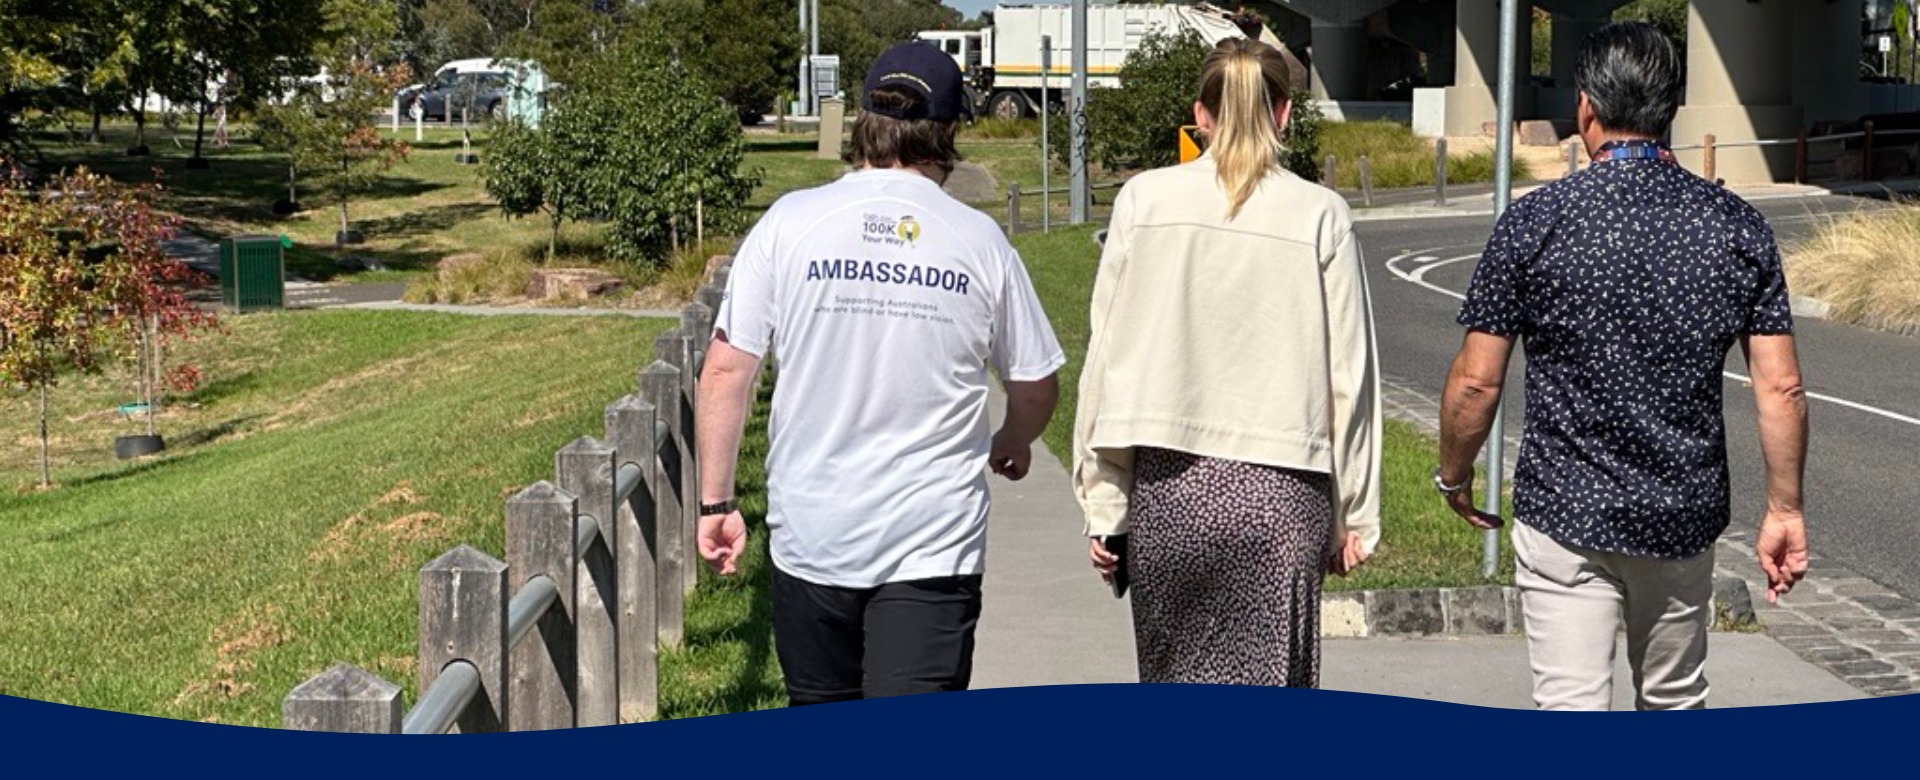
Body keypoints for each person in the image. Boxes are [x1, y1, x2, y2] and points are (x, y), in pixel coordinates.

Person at [1436, 22, 1811, 711]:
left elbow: (1475, 379)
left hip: (1564, 510)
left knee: (1570, 707)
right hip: (1679, 515)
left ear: (1586, 108)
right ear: (1670, 110)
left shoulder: (1534, 222)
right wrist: (1784, 507)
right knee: (1673, 701)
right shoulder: (1735, 227)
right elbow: (1780, 387)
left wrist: (1452, 475)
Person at [694, 41, 1066, 706]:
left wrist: (717, 503)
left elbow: (726, 368)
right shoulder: (979, 241)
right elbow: (1035, 383)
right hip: (933, 545)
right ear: (949, 132)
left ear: (866, 120)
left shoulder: (791, 223)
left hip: (814, 536)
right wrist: (1011, 439)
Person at [1072, 37, 1381, 687]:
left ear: (1201, 115)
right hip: (1281, 494)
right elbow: (1349, 374)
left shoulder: (1143, 202)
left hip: (1169, 494)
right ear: (1285, 112)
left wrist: (1105, 504)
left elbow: (1108, 358)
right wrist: (1353, 512)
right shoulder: (1321, 214)